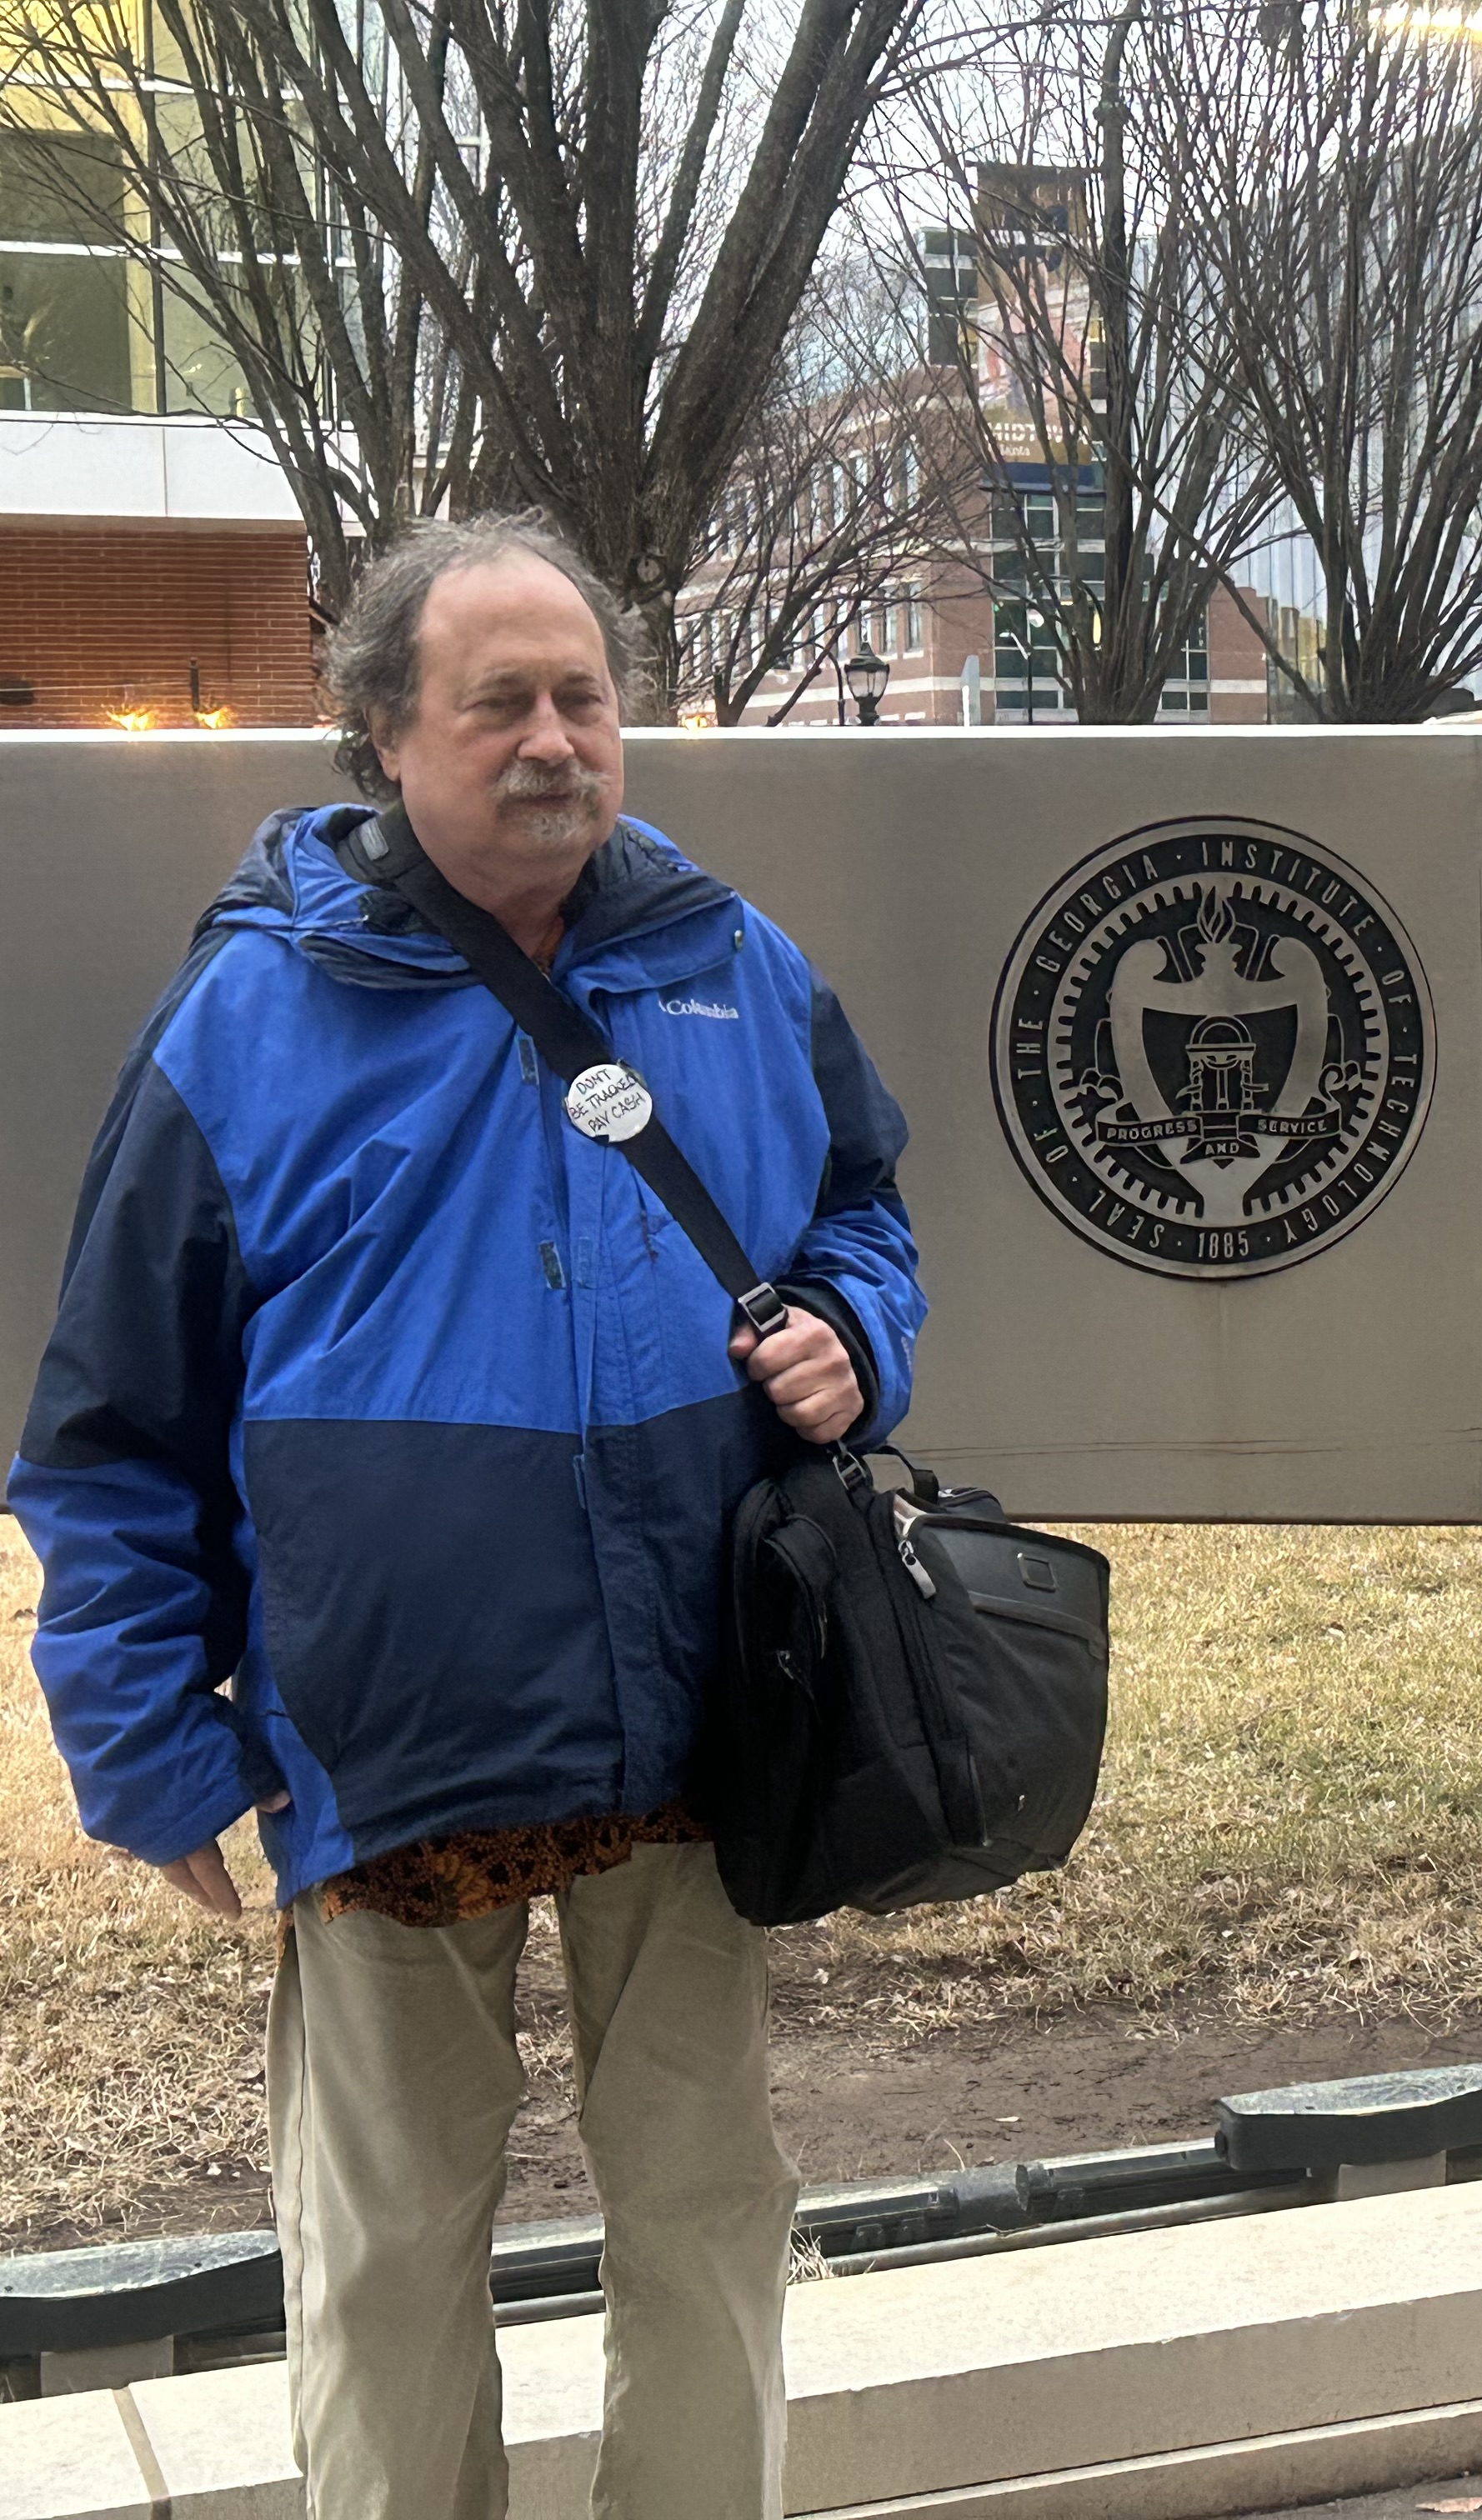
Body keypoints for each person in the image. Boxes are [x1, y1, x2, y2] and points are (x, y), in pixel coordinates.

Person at [9, 513, 925, 2518]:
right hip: (385, 1729)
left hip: (700, 1709)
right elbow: (109, 1421)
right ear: (383, 736)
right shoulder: (250, 1018)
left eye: (582, 695)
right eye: (495, 699)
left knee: (708, 2214)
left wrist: (856, 1328)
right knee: (388, 2257)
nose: (551, 741)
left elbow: (865, 1204)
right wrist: (152, 1747)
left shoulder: (729, 963)